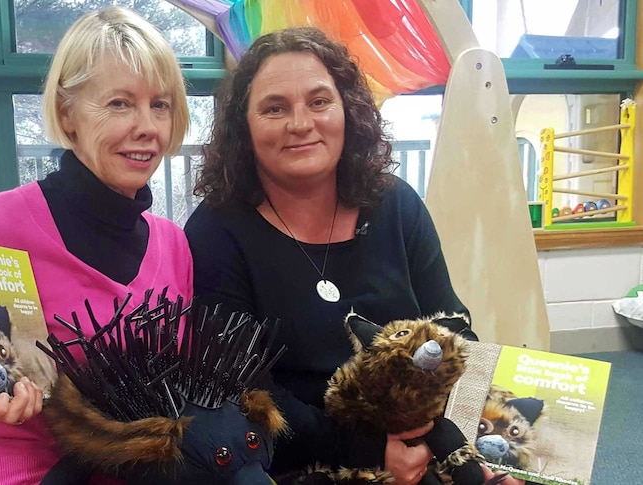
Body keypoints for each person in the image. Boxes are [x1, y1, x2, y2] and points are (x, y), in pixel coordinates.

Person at [184, 26, 516, 485]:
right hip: (301, 458)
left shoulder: (395, 204)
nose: (301, 123)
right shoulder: (215, 230)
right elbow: (245, 392)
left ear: (348, 111)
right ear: (244, 126)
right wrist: (372, 453)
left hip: (424, 440)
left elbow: (455, 330)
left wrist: (480, 460)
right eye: (274, 108)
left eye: (319, 101)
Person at [0, 7, 193, 484]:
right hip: (12, 470)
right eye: (118, 104)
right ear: (67, 112)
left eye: (161, 104)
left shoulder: (174, 246)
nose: (147, 126)